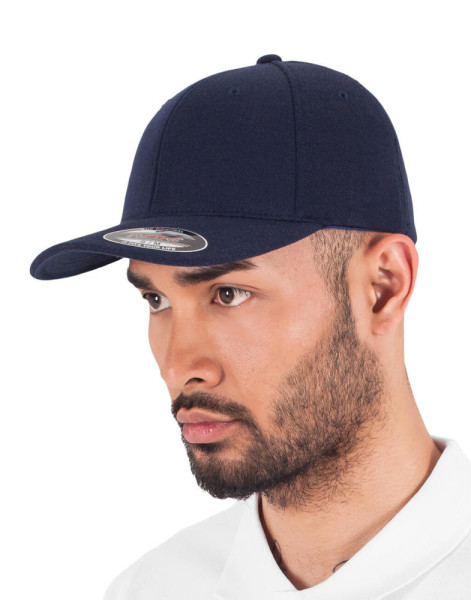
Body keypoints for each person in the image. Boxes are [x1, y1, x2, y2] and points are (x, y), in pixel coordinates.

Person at [30, 55, 471, 598]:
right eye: (156, 299)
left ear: (383, 287)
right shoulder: (152, 588)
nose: (179, 366)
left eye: (229, 294)